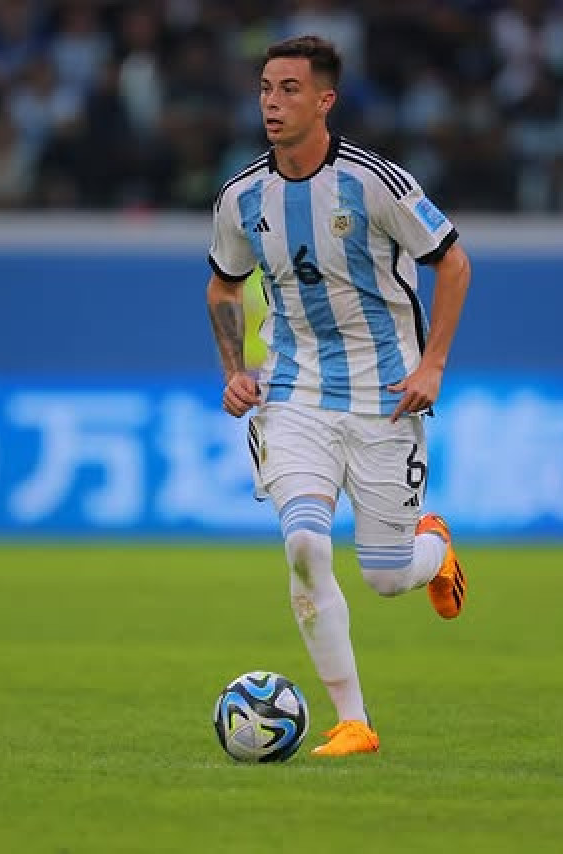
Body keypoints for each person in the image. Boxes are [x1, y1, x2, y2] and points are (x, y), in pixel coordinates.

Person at [204, 35, 472, 758]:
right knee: (303, 544)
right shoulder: (242, 197)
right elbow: (224, 284)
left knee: (386, 577)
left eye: (289, 89)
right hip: (293, 393)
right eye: (264, 87)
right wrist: (235, 367)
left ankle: (434, 550)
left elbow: (452, 264)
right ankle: (354, 721)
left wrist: (434, 366)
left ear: (324, 100)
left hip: (387, 395)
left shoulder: (376, 183)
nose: (272, 102)